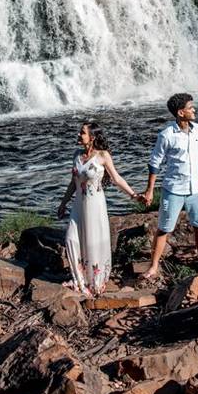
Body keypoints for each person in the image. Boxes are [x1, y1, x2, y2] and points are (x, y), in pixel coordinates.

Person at [57, 121, 140, 297]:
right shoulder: (77, 155)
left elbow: (116, 179)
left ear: (92, 137)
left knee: (92, 241)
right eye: (80, 132)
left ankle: (94, 281)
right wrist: (63, 203)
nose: (79, 135)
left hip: (95, 205)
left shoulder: (102, 155)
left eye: (83, 133)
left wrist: (134, 195)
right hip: (78, 204)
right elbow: (73, 183)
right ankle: (79, 279)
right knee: (71, 239)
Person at [139, 93, 198, 280]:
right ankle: (154, 266)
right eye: (191, 108)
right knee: (164, 228)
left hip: (195, 188)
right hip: (173, 189)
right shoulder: (166, 135)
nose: (194, 110)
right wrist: (149, 190)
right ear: (181, 113)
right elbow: (154, 163)